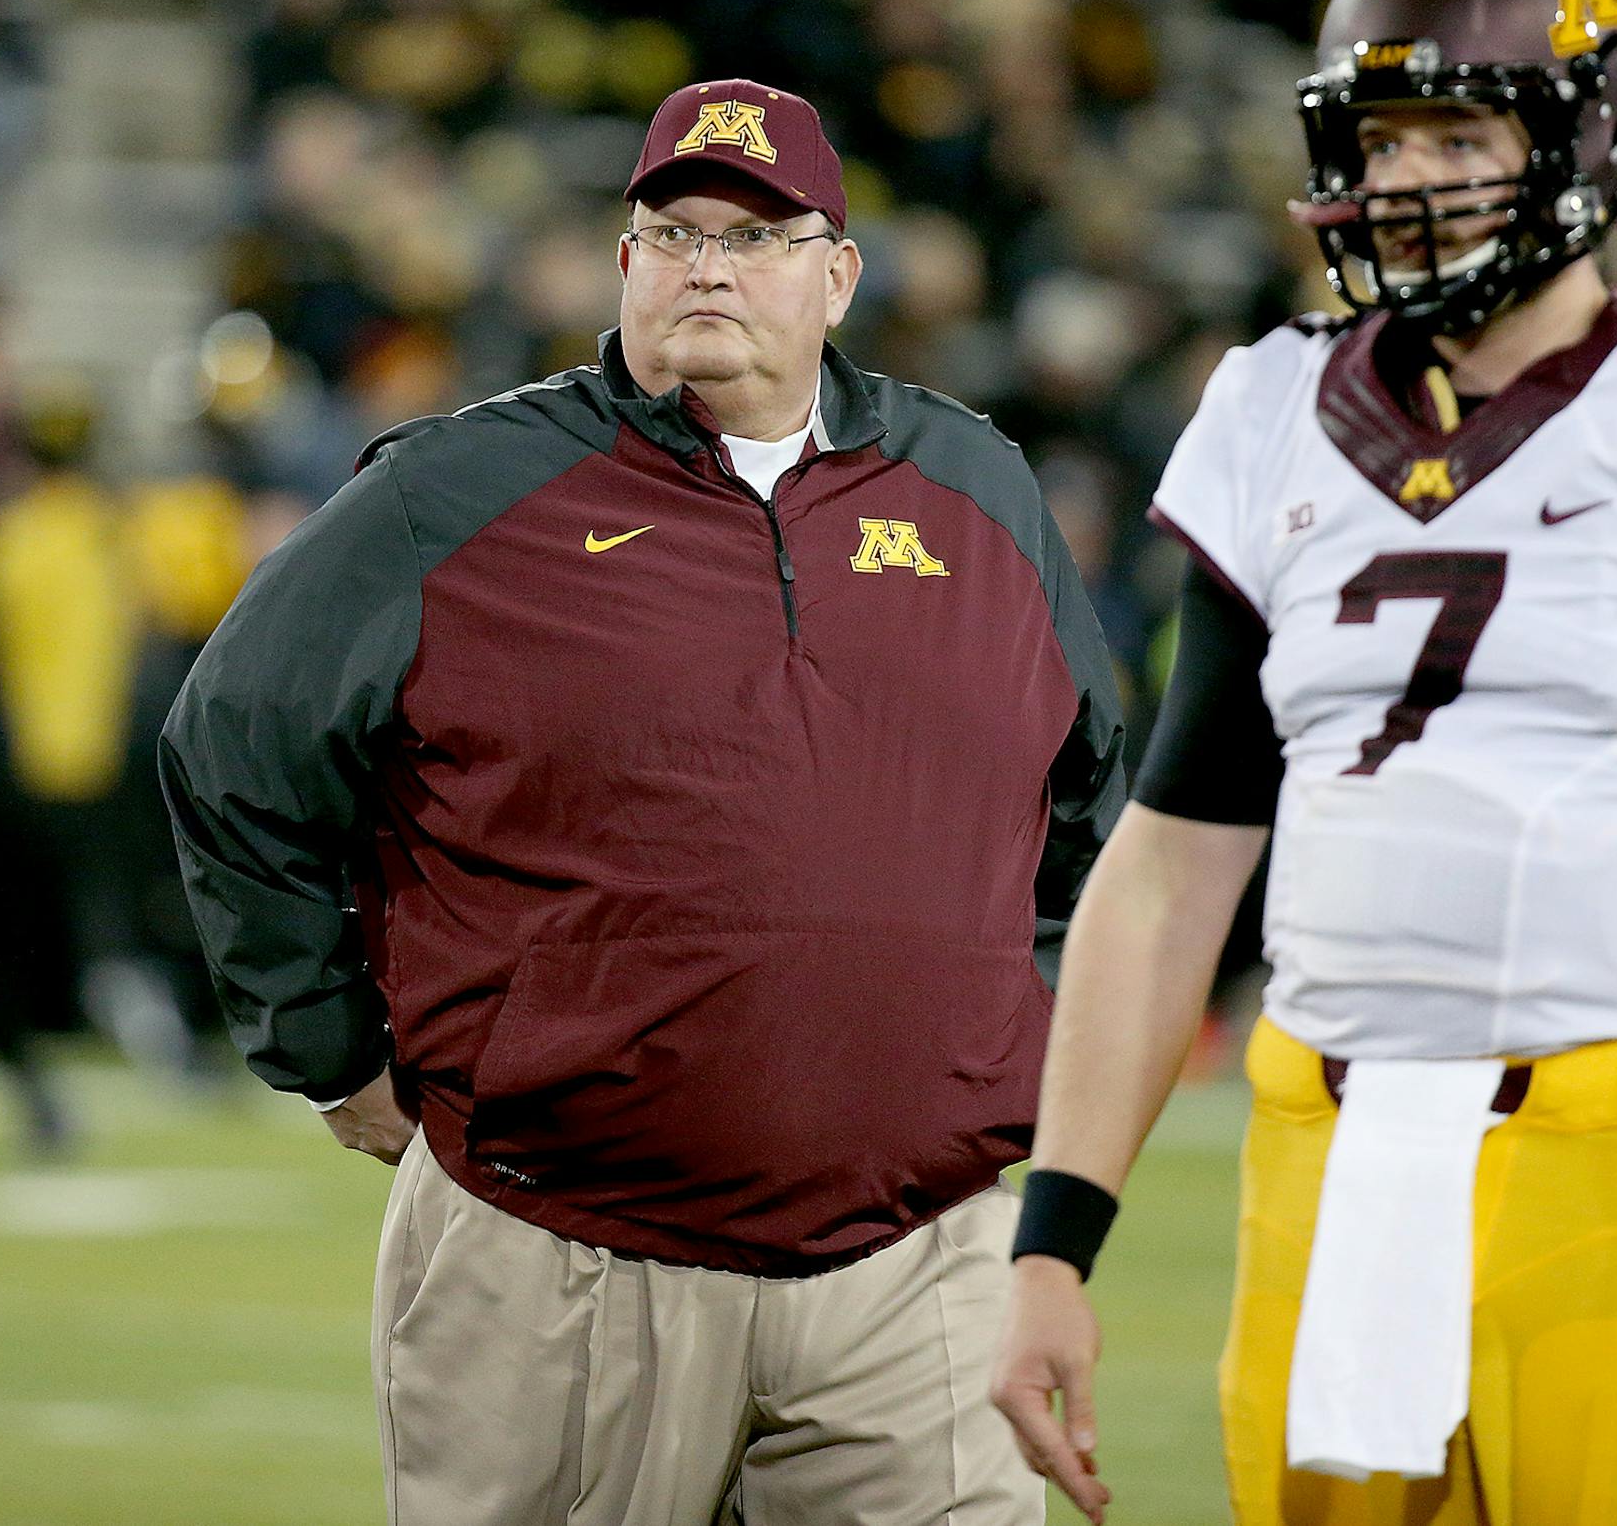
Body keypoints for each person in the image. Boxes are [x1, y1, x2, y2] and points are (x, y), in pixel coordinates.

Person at [988, 0, 1617, 1526]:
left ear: (1586, 140)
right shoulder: (1271, 405)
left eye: (1458, 135)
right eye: (1381, 140)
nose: (1407, 179)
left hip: (1614, 1138)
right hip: (1321, 1137)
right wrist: (1052, 1247)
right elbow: (1171, 865)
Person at [160, 77, 1124, 1526]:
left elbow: (1089, 801)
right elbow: (233, 747)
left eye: (758, 237)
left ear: (839, 275)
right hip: (562, 1255)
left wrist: (997, 1042)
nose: (709, 268)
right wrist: (327, 1045)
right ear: (624, 264)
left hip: (919, 1265)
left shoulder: (975, 487)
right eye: (675, 233)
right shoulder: (458, 493)